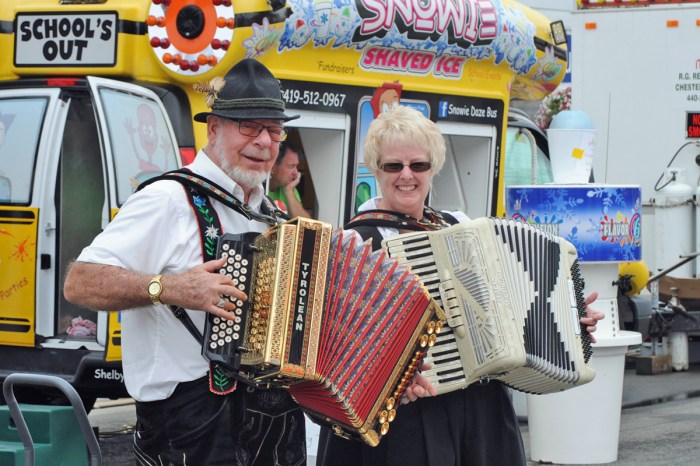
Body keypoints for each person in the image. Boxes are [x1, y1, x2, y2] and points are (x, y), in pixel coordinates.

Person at [316, 105, 604, 466]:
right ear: (376, 169)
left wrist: (568, 321)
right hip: (407, 416)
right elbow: (334, 347)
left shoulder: (461, 225)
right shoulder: (357, 243)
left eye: (418, 165)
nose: (407, 175)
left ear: (433, 167)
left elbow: (512, 304)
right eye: (394, 166)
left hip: (482, 410)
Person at [63, 58, 307, 466]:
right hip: (189, 426)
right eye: (249, 126)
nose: (264, 141)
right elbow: (80, 281)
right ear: (214, 128)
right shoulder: (168, 199)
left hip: (270, 422)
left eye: (274, 129)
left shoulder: (270, 212)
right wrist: (171, 288)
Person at [268, 142, 312, 218]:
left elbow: (305, 225)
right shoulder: (257, 189)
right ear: (273, 166)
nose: (296, 172)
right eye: (291, 166)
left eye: (296, 166)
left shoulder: (289, 188)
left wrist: (289, 191)